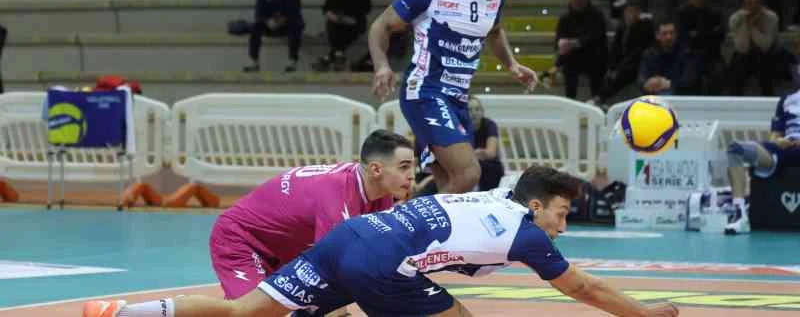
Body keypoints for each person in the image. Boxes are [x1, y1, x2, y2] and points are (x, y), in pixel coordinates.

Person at [83, 165, 680, 317]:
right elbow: (583, 289)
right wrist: (645, 314)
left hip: (348, 239)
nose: (563, 226)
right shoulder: (527, 233)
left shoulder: (501, 197)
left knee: (246, 313)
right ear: (535, 207)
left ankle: (124, 313)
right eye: (562, 213)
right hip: (382, 261)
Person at [82, 130, 414, 317]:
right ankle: (119, 313)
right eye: (404, 167)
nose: (412, 175)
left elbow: (374, 259)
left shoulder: (379, 195)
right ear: (376, 169)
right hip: (242, 239)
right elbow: (333, 267)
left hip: (288, 249)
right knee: (246, 312)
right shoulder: (337, 194)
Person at [368, 0, 539, 194]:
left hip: (458, 99)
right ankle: (410, 221)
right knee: (469, 173)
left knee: (452, 186)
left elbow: (494, 31)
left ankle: (416, 218)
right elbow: (381, 25)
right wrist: (382, 66)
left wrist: (511, 64)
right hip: (425, 92)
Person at [725, 87, 800, 234]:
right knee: (736, 149)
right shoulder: (786, 100)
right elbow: (774, 137)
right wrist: (779, 141)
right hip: (785, 149)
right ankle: (740, 214)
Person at [313, 0, 372, 72]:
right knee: (332, 24)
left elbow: (367, 7)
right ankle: (338, 55)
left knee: (341, 29)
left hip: (355, 21)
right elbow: (326, 7)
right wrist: (332, 15)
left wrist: (350, 18)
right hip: (337, 20)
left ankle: (330, 57)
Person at [244, 0, 305, 73]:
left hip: (287, 24)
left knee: (297, 25)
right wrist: (268, 21)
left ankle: (292, 61)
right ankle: (254, 61)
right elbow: (259, 13)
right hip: (268, 25)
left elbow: (296, 12)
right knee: (255, 26)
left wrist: (284, 19)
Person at [553, 0, 608, 102]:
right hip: (572, 56)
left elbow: (597, 37)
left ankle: (597, 100)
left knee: (597, 64)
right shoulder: (565, 18)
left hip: (593, 54)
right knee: (568, 65)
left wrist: (576, 42)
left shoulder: (596, 15)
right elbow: (558, 39)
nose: (577, 0)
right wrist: (563, 45)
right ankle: (570, 100)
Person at [598, 1, 654, 105]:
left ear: (639, 13)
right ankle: (602, 98)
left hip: (637, 63)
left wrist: (619, 68)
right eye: (628, 12)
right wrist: (612, 67)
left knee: (621, 74)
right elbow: (615, 49)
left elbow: (638, 52)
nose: (630, 15)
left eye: (634, 11)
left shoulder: (644, 28)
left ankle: (602, 98)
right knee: (606, 70)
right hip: (623, 63)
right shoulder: (622, 27)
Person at [727, 0, 780, 96]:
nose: (753, 6)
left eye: (756, 3)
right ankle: (735, 99)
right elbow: (741, 47)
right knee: (738, 64)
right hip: (744, 53)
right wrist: (746, 24)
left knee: (764, 63)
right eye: (749, 3)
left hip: (765, 53)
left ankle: (768, 99)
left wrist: (752, 27)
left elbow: (765, 45)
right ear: (743, 5)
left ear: (761, 3)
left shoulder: (771, 17)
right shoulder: (735, 18)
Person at [468, 95, 504, 191]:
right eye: (470, 110)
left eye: (477, 109)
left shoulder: (489, 125)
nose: (474, 113)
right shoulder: (460, 127)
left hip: (487, 164)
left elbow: (491, 153)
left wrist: (473, 155)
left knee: (491, 168)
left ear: (482, 111)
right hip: (467, 164)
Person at [638, 21, 682, 95]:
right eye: (664, 33)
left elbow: (688, 80)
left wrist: (669, 83)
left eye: (672, 33)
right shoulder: (649, 53)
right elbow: (641, 76)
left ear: (676, 34)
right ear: (657, 35)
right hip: (654, 93)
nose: (669, 37)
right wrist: (646, 84)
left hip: (679, 94)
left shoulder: (685, 52)